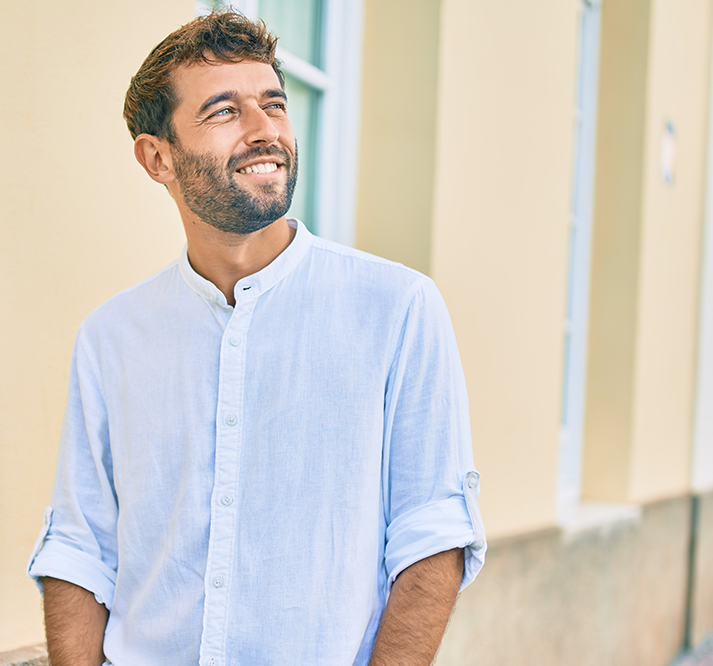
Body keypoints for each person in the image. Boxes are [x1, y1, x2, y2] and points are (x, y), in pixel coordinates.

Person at [27, 11, 485, 666]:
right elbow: (79, 547)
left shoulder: (398, 310)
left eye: (274, 104)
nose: (265, 129)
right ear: (158, 157)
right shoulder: (111, 337)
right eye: (224, 111)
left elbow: (432, 539)